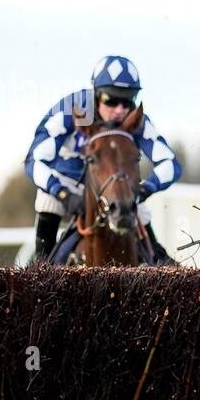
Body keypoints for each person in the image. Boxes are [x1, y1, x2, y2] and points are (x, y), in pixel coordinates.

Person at [24, 55, 181, 262]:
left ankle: (158, 262)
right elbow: (34, 161)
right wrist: (62, 193)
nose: (120, 110)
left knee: (138, 208)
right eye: (112, 100)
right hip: (67, 185)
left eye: (127, 101)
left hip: (112, 189)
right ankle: (40, 267)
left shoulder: (135, 119)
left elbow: (170, 164)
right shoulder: (73, 110)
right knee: (47, 200)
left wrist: (144, 189)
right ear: (96, 95)